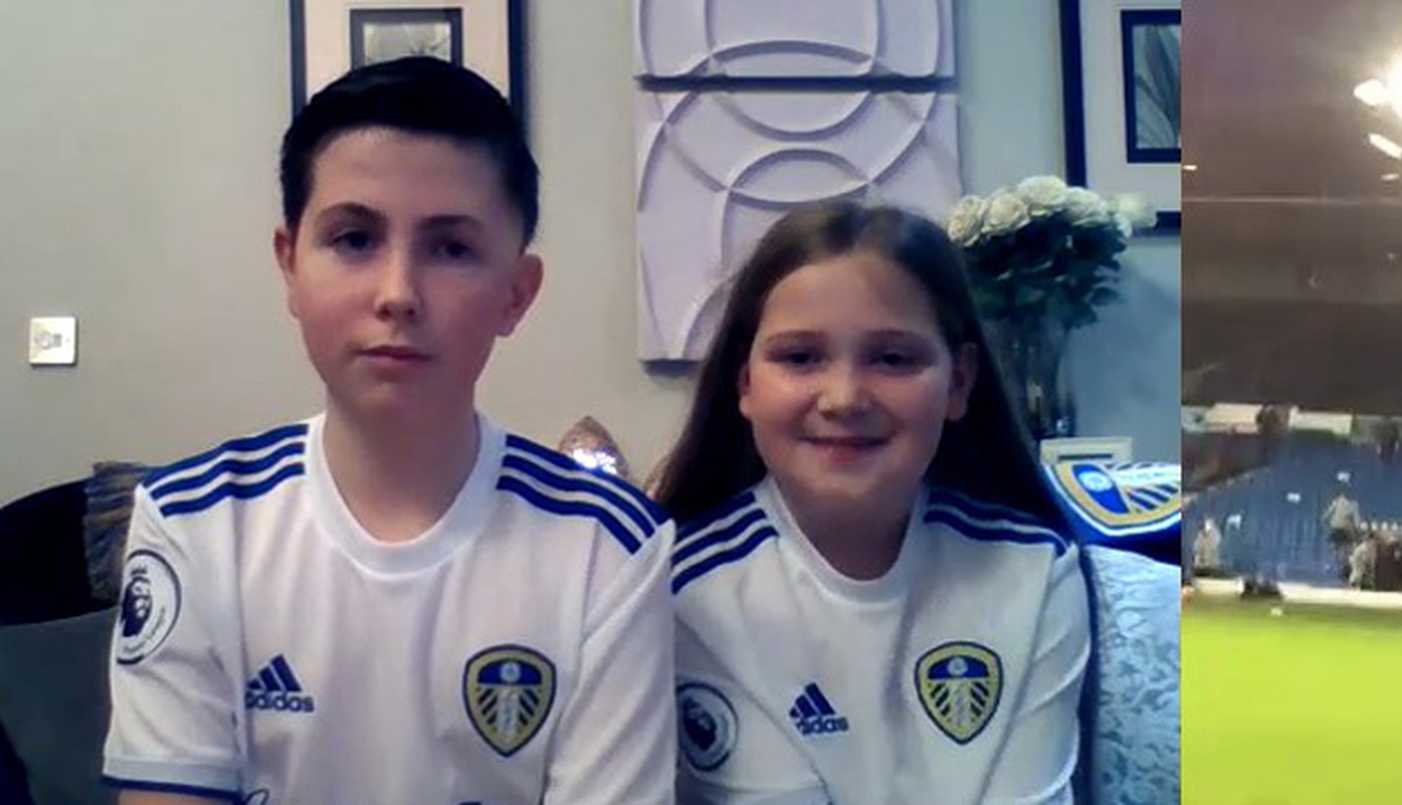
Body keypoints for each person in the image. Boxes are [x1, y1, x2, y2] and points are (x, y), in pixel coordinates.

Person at [103, 58, 677, 803]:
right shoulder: (192, 521)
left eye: (450, 248)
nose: (397, 293)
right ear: (289, 265)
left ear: (516, 293)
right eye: (353, 239)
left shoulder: (610, 545)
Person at [656, 204, 1087, 802]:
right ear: (745, 383)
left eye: (892, 359)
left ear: (959, 383)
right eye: (800, 357)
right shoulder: (680, 590)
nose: (844, 397)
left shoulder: (1035, 568)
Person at [1323, 489, 1363, 581]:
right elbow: (1357, 521)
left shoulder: (1339, 502)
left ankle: (1338, 567)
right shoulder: (1352, 504)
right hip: (1342, 529)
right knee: (1345, 550)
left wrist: (1325, 520)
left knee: (1339, 550)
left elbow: (1327, 514)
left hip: (1338, 529)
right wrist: (1358, 531)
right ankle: (1340, 567)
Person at [1192, 513, 1222, 579]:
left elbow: (1215, 547)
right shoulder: (1199, 534)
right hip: (1201, 567)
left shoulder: (1216, 534)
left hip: (1213, 567)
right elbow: (1196, 549)